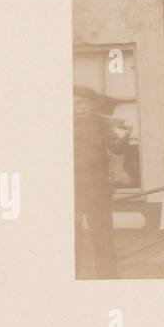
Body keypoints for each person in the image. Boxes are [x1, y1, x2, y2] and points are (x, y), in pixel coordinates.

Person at [73, 85, 123, 278]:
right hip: (71, 191)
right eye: (76, 104)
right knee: (70, 240)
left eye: (84, 103)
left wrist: (124, 136)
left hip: (97, 190)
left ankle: (107, 280)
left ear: (92, 106)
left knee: (103, 238)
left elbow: (116, 149)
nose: (80, 107)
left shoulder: (101, 125)